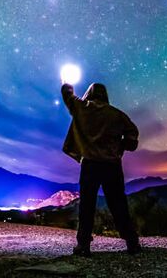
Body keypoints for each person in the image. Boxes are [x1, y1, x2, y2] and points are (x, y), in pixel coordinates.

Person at [60, 81, 141, 256]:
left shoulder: (83, 108)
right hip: (112, 166)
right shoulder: (117, 115)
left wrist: (66, 83)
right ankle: (132, 242)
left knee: (87, 205)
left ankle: (83, 246)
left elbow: (68, 95)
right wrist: (123, 145)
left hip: (90, 165)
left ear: (90, 93)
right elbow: (132, 136)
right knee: (118, 204)